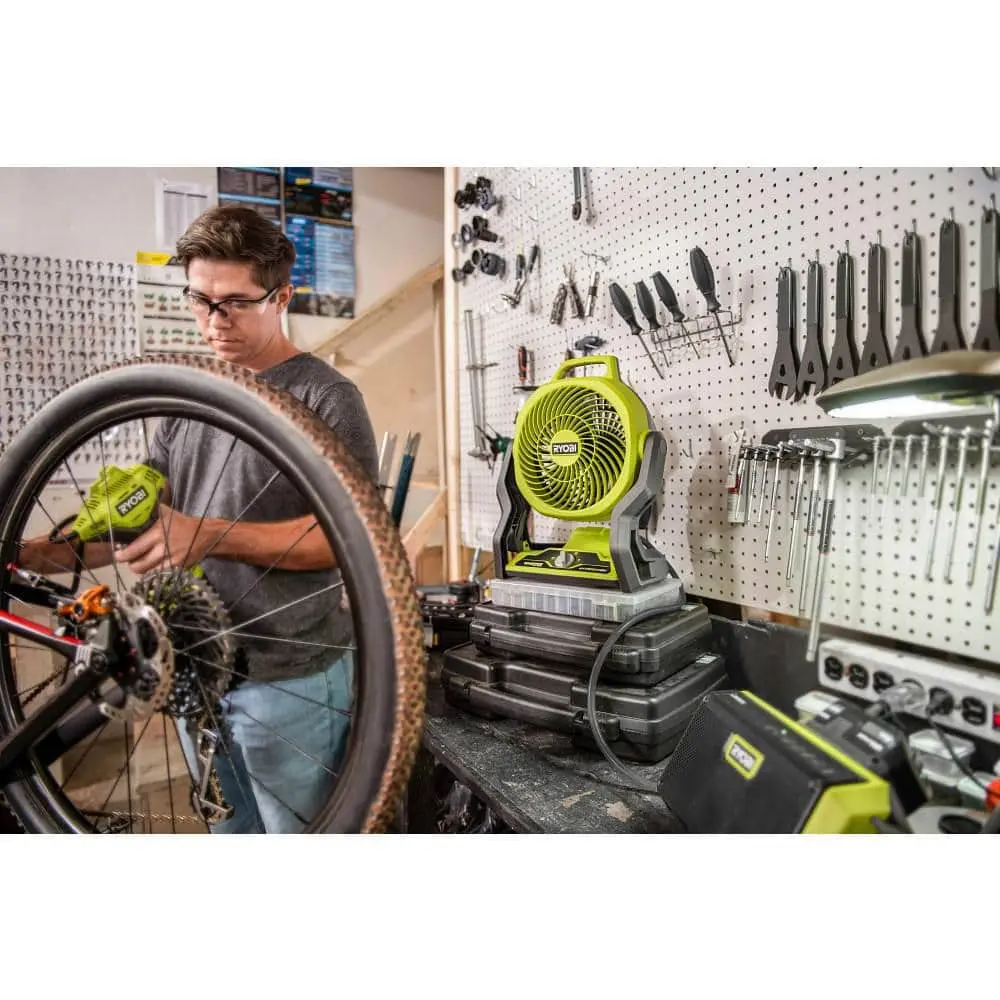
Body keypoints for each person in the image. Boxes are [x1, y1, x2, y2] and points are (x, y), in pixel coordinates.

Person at [19, 204, 381, 833]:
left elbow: (355, 541)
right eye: (201, 300)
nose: (214, 321)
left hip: (290, 676)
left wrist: (208, 535)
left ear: (282, 296)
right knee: (228, 835)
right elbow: (137, 522)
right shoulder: (188, 399)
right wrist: (32, 555)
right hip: (195, 668)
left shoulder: (326, 398)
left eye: (235, 302)